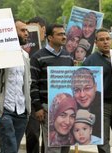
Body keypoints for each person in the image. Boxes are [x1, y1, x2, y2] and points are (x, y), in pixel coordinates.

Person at [0, 19, 31, 153]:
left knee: (10, 150)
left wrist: (28, 107)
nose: (26, 33)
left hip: (21, 111)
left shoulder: (25, 55)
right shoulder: (1, 54)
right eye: (22, 30)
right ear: (11, 31)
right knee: (10, 149)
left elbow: (28, 81)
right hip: (4, 111)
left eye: (26, 30)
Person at [30, 23, 74, 153]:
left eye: (64, 33)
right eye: (60, 34)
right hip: (48, 107)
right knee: (53, 148)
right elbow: (33, 83)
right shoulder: (38, 57)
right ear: (49, 37)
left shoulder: (68, 57)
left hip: (66, 109)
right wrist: (38, 107)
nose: (64, 37)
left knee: (65, 146)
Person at [25, 16, 46, 153]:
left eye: (33, 29)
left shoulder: (50, 48)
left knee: (49, 137)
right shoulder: (24, 47)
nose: (29, 33)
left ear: (43, 30)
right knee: (32, 133)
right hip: (30, 96)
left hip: (48, 97)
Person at [71, 68, 102, 138]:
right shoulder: (69, 108)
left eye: (87, 88)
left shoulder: (102, 103)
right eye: (76, 90)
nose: (82, 95)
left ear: (95, 87)